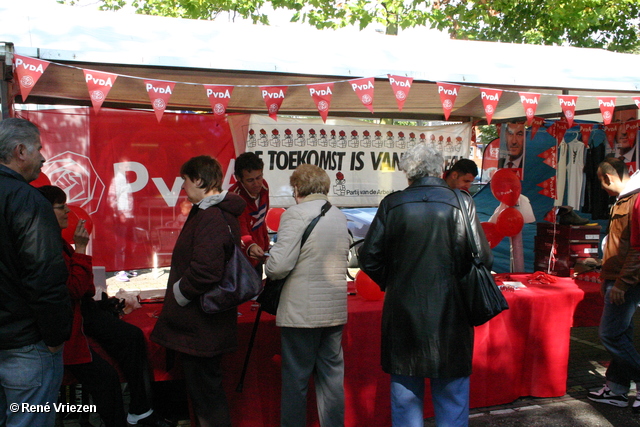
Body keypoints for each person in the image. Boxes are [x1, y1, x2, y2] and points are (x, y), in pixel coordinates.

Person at [358, 143, 492, 427]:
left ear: (409, 173)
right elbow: (482, 257)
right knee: (452, 396)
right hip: (453, 313)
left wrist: (394, 281)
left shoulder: (393, 204)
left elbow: (369, 257)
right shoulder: (462, 201)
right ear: (440, 170)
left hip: (404, 313)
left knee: (406, 396)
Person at [38, 185, 174, 427]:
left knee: (132, 337)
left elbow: (85, 288)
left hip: (83, 310)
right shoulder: (43, 245)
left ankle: (141, 410)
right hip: (66, 321)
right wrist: (81, 249)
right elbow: (76, 288)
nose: (69, 212)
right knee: (106, 378)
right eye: (61, 207)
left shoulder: (57, 242)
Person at [151, 155, 246, 427]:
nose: (182, 188)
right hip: (202, 325)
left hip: (202, 326)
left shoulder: (212, 215)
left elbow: (206, 270)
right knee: (205, 397)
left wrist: (181, 292)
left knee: (208, 400)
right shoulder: (210, 212)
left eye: (184, 181)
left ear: (199, 180)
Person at [264, 164, 350, 427]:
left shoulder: (295, 214)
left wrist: (268, 260)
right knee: (331, 380)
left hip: (301, 312)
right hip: (334, 309)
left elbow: (278, 267)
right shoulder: (339, 215)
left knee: (296, 381)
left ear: (298, 188)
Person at [0, 118, 73, 427]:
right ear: (20, 151)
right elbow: (44, 275)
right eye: (38, 149)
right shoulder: (28, 200)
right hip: (25, 345)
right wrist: (56, 336)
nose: (43, 157)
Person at [587, 157, 640, 412]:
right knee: (621, 334)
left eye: (601, 182)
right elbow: (619, 244)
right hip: (618, 278)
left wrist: (621, 283)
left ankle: (627, 385)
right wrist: (607, 278)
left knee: (610, 334)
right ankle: (617, 389)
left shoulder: (636, 199)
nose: (603, 188)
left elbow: (637, 249)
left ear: (607, 178)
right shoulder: (625, 199)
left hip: (625, 281)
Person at [229, 152, 270, 271]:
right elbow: (240, 229)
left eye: (259, 177)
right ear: (238, 178)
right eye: (250, 180)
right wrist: (250, 245)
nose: (257, 184)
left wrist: (265, 245)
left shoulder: (264, 187)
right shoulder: (234, 198)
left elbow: (260, 220)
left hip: (259, 252)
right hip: (240, 260)